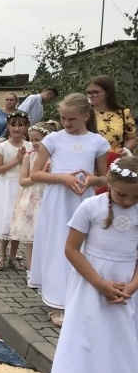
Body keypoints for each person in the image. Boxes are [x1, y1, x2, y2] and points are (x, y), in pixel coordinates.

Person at [44, 156, 138, 373]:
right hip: (90, 284)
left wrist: (131, 287)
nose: (127, 201)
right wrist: (99, 283)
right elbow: (72, 249)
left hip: (125, 289)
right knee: (83, 339)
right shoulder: (90, 207)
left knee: (122, 339)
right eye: (122, 194)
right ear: (108, 183)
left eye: (136, 196)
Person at [30, 93, 110, 327]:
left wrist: (93, 180)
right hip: (57, 200)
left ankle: (78, 299)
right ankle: (56, 302)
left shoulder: (98, 142)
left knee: (82, 248)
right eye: (63, 118)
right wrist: (61, 178)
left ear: (86, 116)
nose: (66, 123)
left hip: (83, 200)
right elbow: (35, 173)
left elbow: (104, 177)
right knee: (57, 246)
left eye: (72, 119)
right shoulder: (53, 139)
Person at [0, 112, 33, 271]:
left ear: (26, 127)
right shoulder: (2, 146)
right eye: (13, 125)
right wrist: (16, 161)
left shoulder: (30, 146)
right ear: (8, 126)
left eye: (21, 125)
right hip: (6, 186)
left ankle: (13, 255)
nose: (17, 128)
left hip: (22, 185)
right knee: (6, 221)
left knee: (18, 222)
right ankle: (1, 254)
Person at [9, 120, 60, 275]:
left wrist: (49, 173)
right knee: (31, 238)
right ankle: (31, 271)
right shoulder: (28, 157)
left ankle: (47, 271)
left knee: (47, 238)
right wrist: (37, 176)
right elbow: (23, 181)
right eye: (32, 140)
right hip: (31, 200)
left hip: (48, 198)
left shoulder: (56, 158)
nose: (34, 143)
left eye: (38, 140)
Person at [86, 75, 136, 156]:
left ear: (108, 93)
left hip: (116, 160)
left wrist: (126, 149)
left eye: (95, 92)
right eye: (88, 92)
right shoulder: (85, 113)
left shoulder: (123, 113)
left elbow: (132, 138)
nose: (90, 95)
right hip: (92, 159)